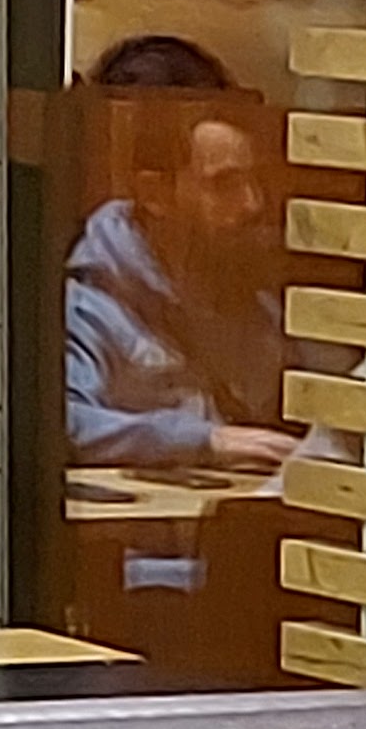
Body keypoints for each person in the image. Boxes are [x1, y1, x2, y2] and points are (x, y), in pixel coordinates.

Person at [65, 66, 299, 478]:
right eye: (224, 184)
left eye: (256, 182)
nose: (252, 204)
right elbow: (64, 421)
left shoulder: (254, 306)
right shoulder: (90, 305)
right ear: (154, 194)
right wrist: (201, 441)